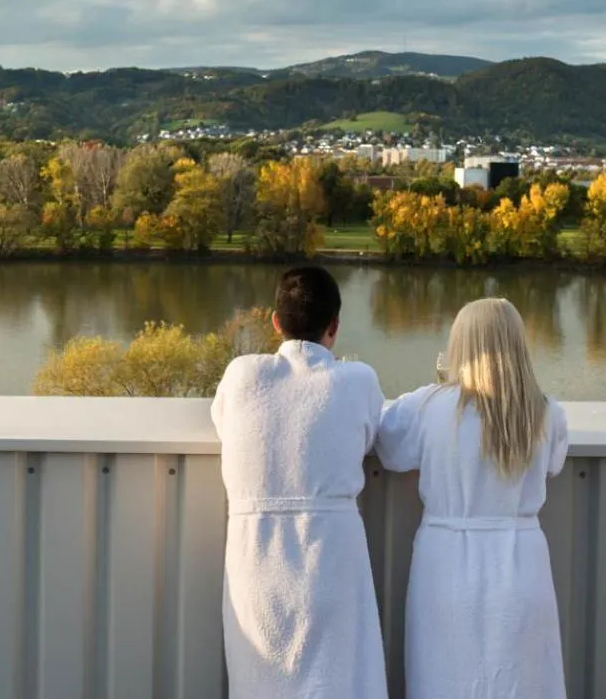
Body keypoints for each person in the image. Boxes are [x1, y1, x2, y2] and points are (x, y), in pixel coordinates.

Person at [210, 265, 389, 699]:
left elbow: (222, 424)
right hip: (329, 562)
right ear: (335, 326)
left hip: (257, 565)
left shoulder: (241, 376)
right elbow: (371, 434)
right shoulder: (356, 380)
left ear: (275, 322)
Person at [376, 297, 569, 699]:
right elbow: (554, 464)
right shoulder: (546, 412)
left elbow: (390, 452)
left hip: (447, 566)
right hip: (522, 566)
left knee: (445, 683)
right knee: (522, 683)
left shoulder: (428, 406)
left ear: (461, 345)